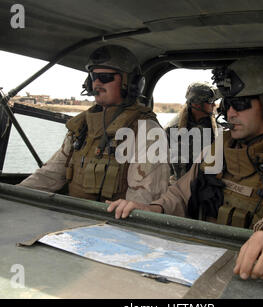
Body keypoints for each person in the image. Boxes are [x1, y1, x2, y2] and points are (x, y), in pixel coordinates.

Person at [106, 56, 263, 280]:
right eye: (228, 104)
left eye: (240, 103)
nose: (230, 113)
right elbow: (179, 195)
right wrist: (150, 209)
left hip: (253, 273)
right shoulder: (217, 149)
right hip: (197, 264)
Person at [19, 45, 170, 204]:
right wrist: (13, 194)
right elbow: (49, 175)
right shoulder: (81, 126)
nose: (96, 83)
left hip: (112, 224)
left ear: (131, 83)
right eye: (93, 77)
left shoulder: (146, 130)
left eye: (105, 77)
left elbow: (143, 202)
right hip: (72, 219)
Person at [164, 81, 220, 181]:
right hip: (179, 188)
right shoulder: (172, 130)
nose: (215, 105)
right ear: (197, 104)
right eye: (211, 101)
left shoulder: (218, 130)